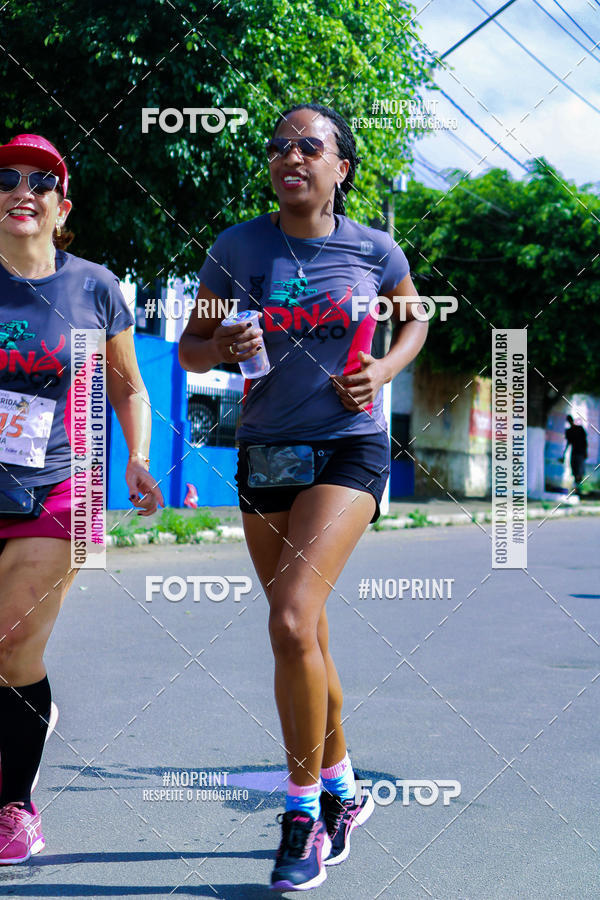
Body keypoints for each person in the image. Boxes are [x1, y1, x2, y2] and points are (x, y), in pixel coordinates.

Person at [179, 103, 428, 891]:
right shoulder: (235, 248)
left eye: (308, 146)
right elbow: (190, 346)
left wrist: (383, 372)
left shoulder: (375, 250)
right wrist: (222, 345)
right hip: (267, 450)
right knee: (305, 631)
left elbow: (414, 322)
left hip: (350, 447)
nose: (291, 155)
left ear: (340, 167)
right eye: (278, 145)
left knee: (288, 617)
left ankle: (300, 813)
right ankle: (346, 792)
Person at [0, 134, 164, 864]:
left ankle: (14, 805)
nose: (21, 191)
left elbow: (129, 388)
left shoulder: (94, 286)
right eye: (6, 178)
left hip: (59, 488)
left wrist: (136, 457)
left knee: (8, 642)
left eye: (41, 181)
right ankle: (27, 704)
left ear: (62, 207)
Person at [559, 414, 587, 492]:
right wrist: (564, 454)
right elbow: (568, 443)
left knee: (579, 472)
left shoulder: (580, 429)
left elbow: (585, 441)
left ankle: (578, 489)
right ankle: (577, 489)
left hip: (580, 453)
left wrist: (585, 452)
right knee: (575, 472)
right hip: (574, 453)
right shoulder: (569, 431)